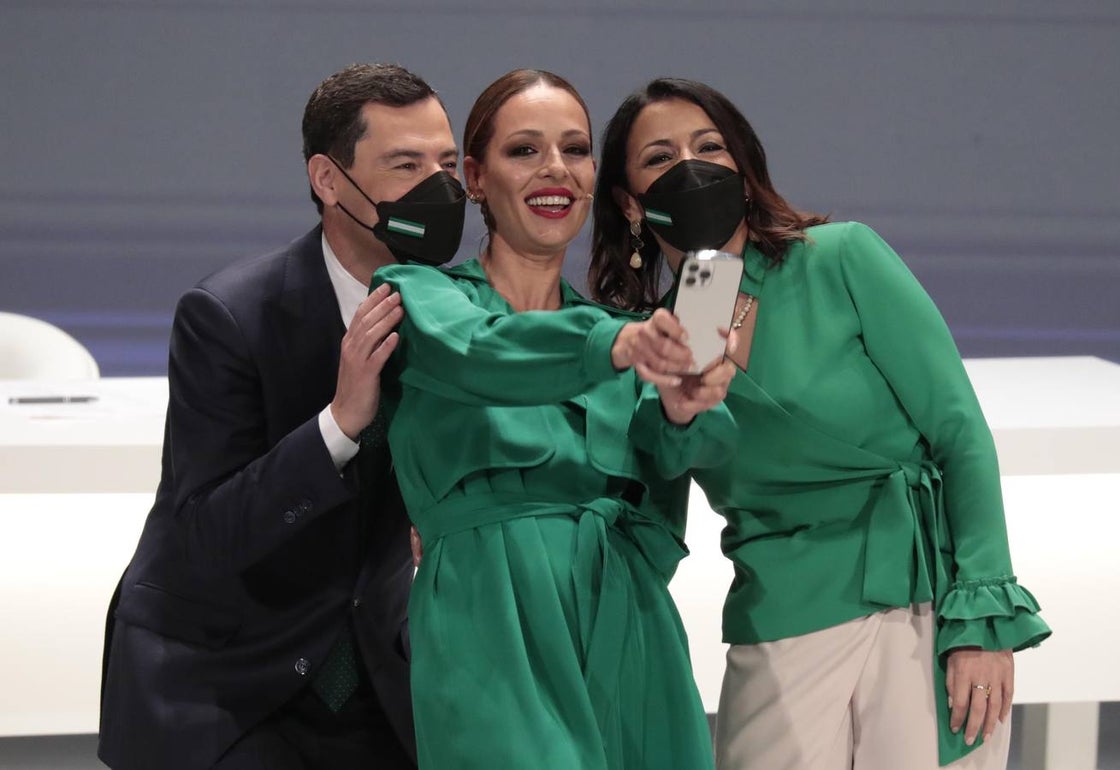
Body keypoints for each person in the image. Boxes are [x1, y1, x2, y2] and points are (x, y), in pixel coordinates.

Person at [589, 77, 1052, 770]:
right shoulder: (656, 335)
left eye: (709, 146)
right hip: (778, 612)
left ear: (745, 170)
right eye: (659, 157)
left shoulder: (841, 258)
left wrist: (983, 621)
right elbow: (657, 502)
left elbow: (960, 433)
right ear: (629, 202)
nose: (690, 166)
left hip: (917, 599)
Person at [364, 69, 736, 770]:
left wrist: (686, 409)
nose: (556, 169)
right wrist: (614, 348)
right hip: (490, 621)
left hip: (628, 622)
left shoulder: (621, 331)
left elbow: (690, 457)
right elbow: (481, 355)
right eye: (525, 151)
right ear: (474, 177)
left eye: (575, 148)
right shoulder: (419, 295)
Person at [98, 62, 465, 770]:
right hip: (226, 680)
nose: (438, 188)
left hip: (376, 677)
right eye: (405, 164)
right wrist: (339, 425)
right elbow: (207, 533)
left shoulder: (456, 314)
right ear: (329, 181)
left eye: (446, 163)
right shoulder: (230, 316)